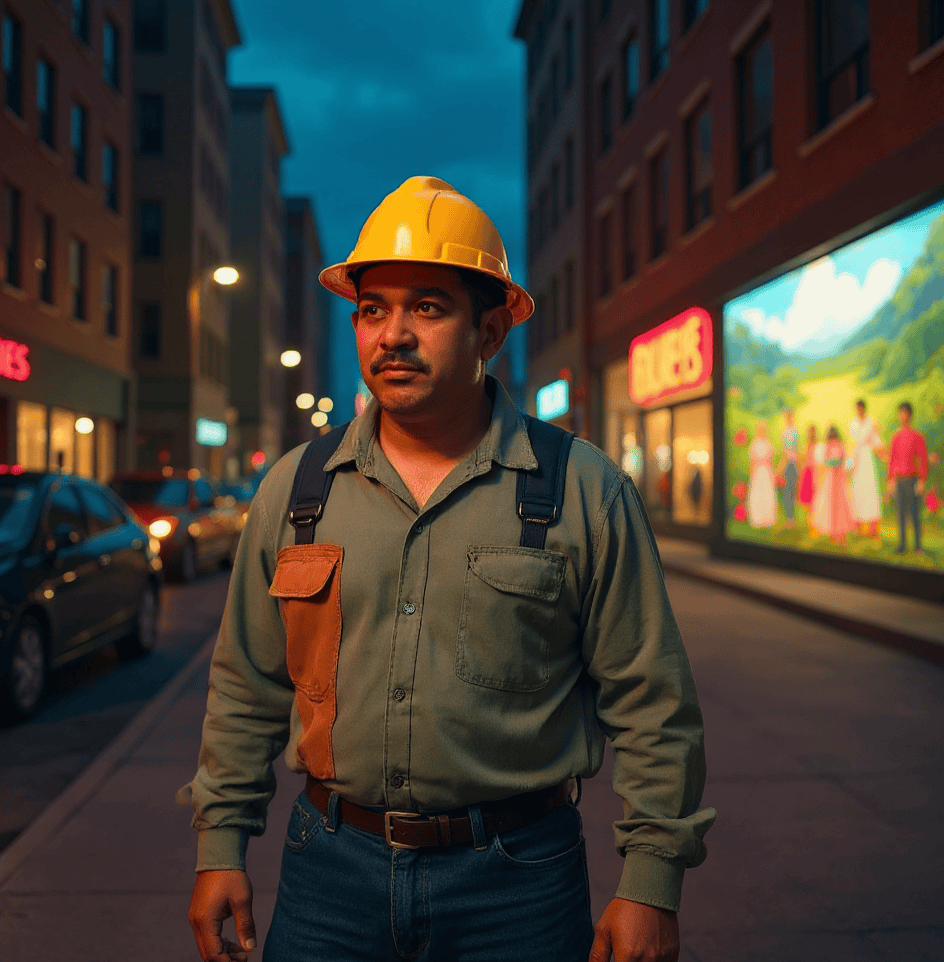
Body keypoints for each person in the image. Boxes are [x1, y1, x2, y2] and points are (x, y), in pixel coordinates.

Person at [181, 177, 714, 962]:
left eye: (426, 307)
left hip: (519, 884)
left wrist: (650, 882)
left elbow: (653, 701)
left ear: (490, 330)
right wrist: (219, 846)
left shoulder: (581, 488)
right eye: (372, 310)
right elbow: (246, 686)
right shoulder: (299, 490)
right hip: (328, 871)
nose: (392, 335)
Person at [886, 401, 928, 555]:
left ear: (909, 414)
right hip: (899, 481)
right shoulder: (896, 437)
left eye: (905, 412)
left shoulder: (917, 436)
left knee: (915, 514)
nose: (902, 415)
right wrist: (890, 480)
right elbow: (891, 461)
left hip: (913, 480)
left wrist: (922, 480)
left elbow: (923, 459)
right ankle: (902, 545)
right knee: (901, 515)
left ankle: (918, 546)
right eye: (900, 412)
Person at [809, 425, 855, 545]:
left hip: (837, 477)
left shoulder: (835, 447)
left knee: (836, 505)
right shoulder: (834, 447)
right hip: (834, 477)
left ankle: (838, 534)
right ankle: (836, 533)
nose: (832, 439)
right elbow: (828, 460)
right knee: (834, 506)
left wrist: (836, 463)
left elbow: (841, 460)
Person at [848, 399, 883, 538]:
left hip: (868, 458)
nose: (859, 410)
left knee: (871, 490)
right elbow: (856, 440)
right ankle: (858, 527)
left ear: (864, 408)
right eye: (857, 408)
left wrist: (882, 453)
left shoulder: (871, 422)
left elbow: (875, 440)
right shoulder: (853, 423)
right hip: (857, 458)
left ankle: (873, 528)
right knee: (857, 491)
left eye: (861, 408)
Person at [747, 421, 777, 528]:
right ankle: (757, 518)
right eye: (760, 430)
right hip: (757, 472)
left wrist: (771, 473)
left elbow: (771, 461)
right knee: (757, 494)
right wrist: (751, 474)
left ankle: (767, 519)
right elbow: (752, 461)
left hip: (766, 472)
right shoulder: (754, 444)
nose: (762, 432)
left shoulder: (769, 444)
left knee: (767, 494)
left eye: (763, 430)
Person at [775, 408, 799, 529]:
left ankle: (791, 519)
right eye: (787, 417)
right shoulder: (786, 432)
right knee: (787, 492)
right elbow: (785, 451)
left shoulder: (794, 432)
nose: (788, 419)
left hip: (792, 464)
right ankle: (789, 519)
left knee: (791, 492)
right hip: (788, 464)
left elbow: (793, 451)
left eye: (789, 417)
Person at [797, 424, 818, 513]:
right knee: (810, 496)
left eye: (811, 431)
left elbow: (806, 456)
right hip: (809, 469)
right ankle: (811, 516)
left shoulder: (814, 444)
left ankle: (813, 516)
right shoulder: (809, 444)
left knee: (813, 494)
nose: (810, 433)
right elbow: (805, 457)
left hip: (812, 470)